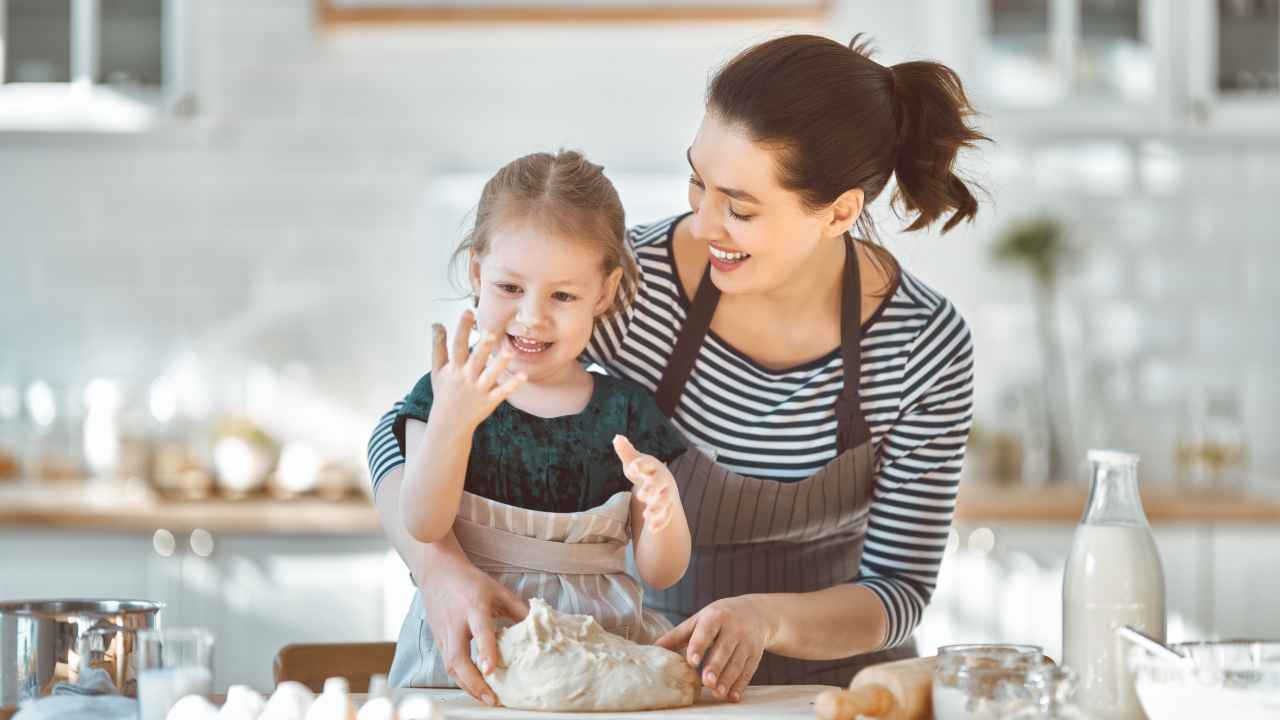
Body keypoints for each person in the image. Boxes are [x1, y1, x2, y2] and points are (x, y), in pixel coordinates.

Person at [368, 33, 984, 704]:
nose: (704, 219)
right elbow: (407, 430)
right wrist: (438, 568)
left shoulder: (922, 344)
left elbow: (897, 590)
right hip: (652, 680)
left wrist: (763, 618)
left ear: (838, 212)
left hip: (843, 695)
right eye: (698, 181)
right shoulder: (629, 284)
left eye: (739, 207)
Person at [384, 149, 693, 695]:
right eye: (510, 288)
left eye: (563, 295)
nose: (532, 315)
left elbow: (662, 572)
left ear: (603, 292)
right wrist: (452, 424)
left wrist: (664, 507)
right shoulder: (444, 392)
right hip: (470, 654)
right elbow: (424, 523)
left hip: (598, 658)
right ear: (477, 273)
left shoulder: (627, 412)